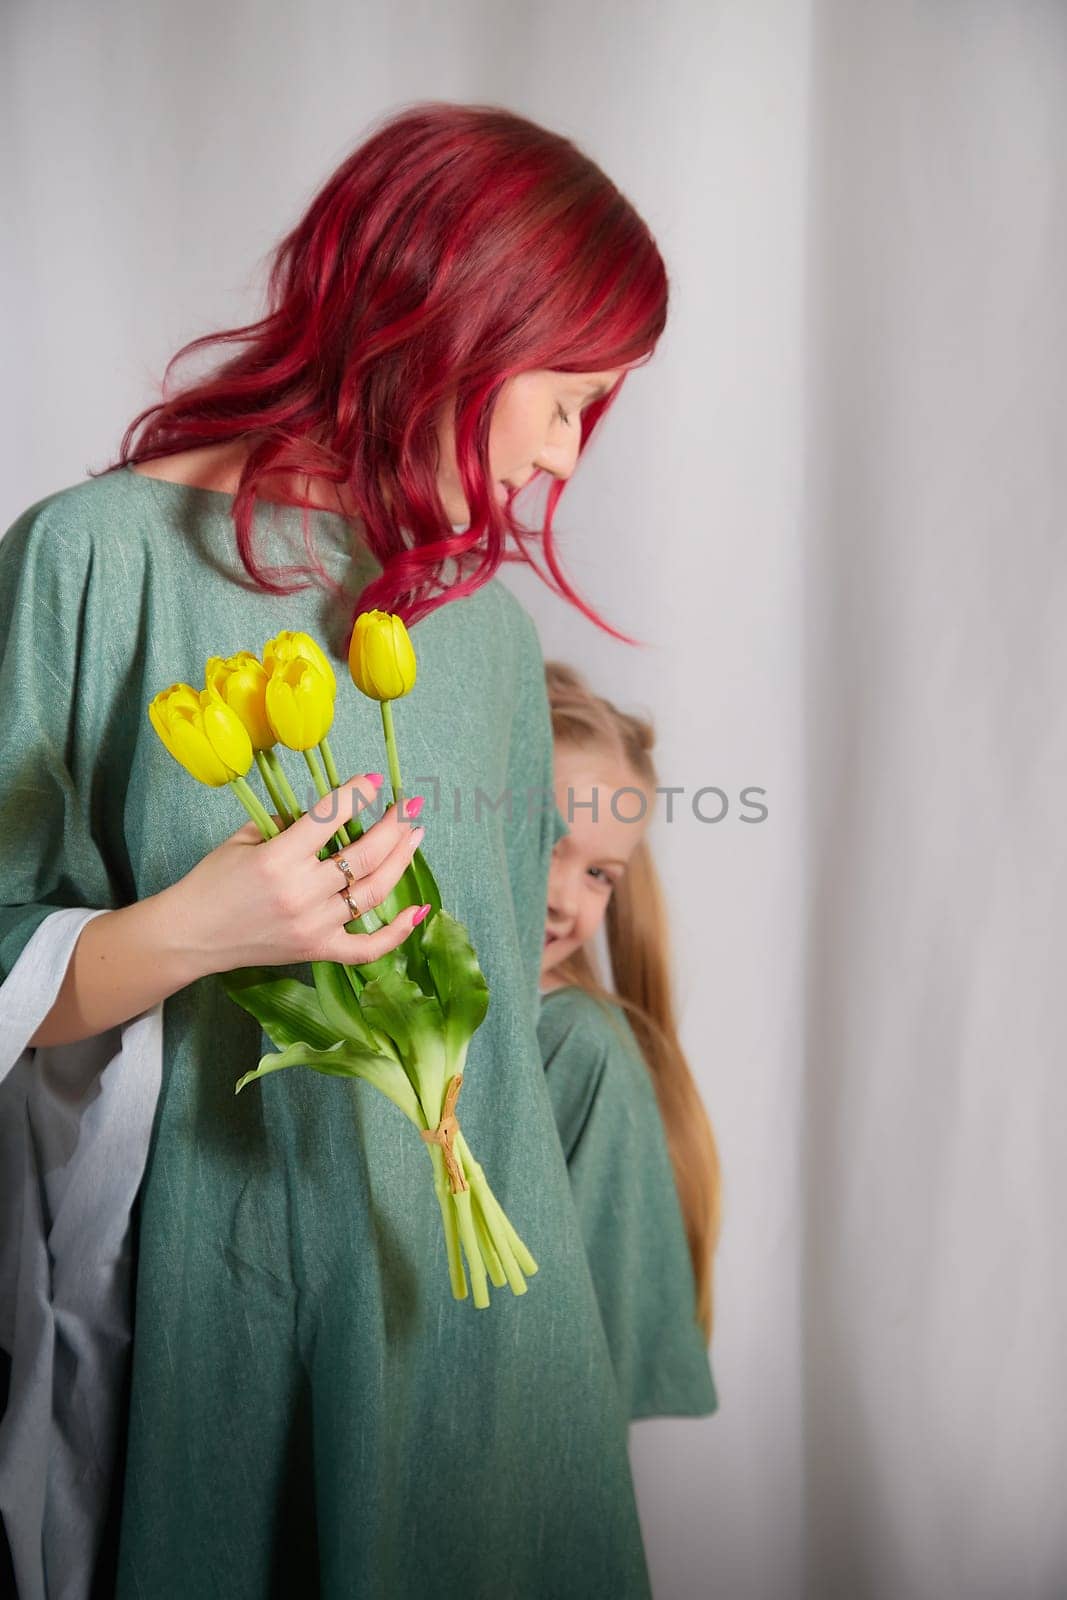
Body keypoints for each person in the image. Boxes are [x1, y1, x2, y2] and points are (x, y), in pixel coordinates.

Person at [0, 102, 670, 1600]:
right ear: (455, 318)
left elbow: (485, 1044)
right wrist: (200, 926)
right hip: (207, 1334)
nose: (566, 455)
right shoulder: (89, 562)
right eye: (566, 396)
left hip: (492, 1351)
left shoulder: (480, 636)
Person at [537, 661, 722, 1421]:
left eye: (600, 875)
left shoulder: (581, 1046)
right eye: (547, 844)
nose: (564, 899)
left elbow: (581, 1389)